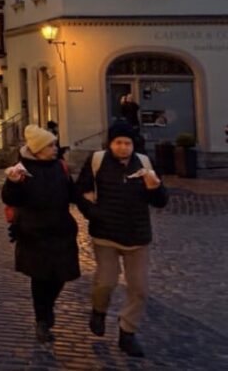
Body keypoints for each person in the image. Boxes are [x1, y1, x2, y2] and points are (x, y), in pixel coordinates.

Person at [76, 122, 168, 358]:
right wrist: (94, 214)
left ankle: (128, 331)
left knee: (139, 288)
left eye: (128, 143)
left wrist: (155, 188)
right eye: (118, 142)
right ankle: (99, 311)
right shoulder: (97, 161)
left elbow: (160, 201)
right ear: (111, 143)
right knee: (105, 282)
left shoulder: (145, 163)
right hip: (105, 235)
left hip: (138, 236)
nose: (123, 147)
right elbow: (80, 192)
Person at [2, 125, 89, 344]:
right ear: (38, 149)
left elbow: (73, 194)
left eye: (55, 144)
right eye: (50, 145)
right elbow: (10, 198)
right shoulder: (22, 169)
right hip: (34, 232)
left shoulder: (60, 166)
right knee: (40, 277)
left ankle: (47, 308)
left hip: (61, 230)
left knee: (60, 275)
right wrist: (13, 183)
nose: (55, 148)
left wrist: (92, 207)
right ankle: (42, 319)